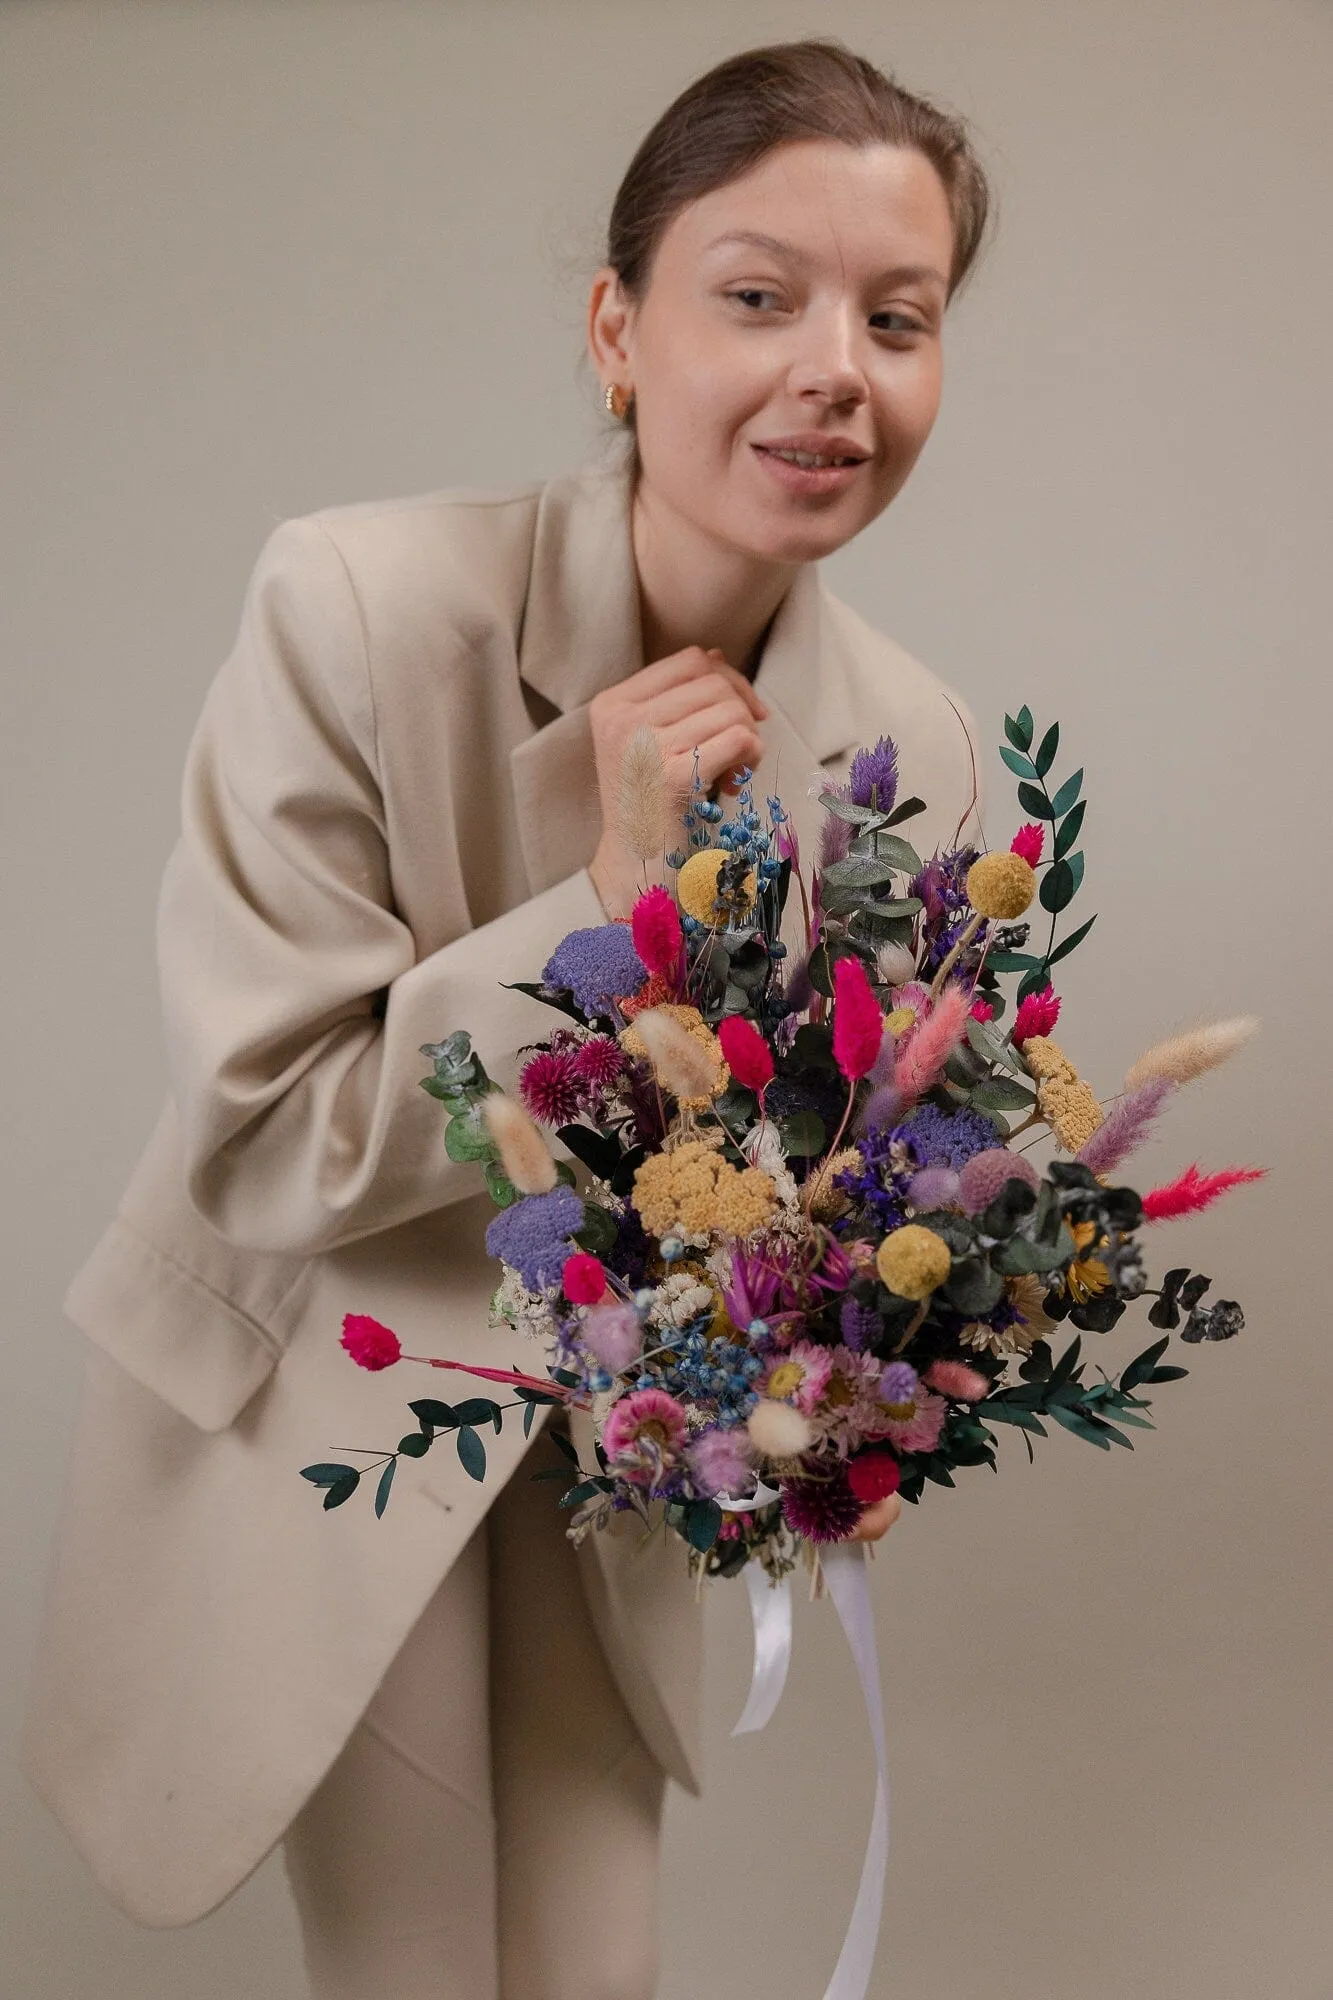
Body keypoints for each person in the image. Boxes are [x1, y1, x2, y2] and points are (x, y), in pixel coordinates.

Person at [23, 36, 992, 2000]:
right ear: (616, 330)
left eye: (899, 317)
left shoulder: (916, 750)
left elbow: (853, 1175)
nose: (837, 369)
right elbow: (271, 1128)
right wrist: (607, 907)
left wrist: (867, 1328)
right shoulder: (357, 602)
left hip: (606, 1468)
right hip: (315, 1414)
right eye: (757, 296)